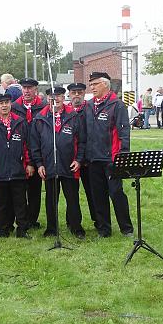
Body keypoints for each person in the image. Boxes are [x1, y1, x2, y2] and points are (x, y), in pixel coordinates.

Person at [30, 87, 86, 238]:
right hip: (49, 166)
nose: (55, 99)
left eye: (59, 96)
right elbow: (34, 144)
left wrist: (79, 160)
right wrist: (39, 164)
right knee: (51, 199)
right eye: (51, 97)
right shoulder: (40, 118)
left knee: (72, 198)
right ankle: (52, 228)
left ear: (63, 98)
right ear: (47, 99)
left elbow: (82, 141)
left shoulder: (73, 116)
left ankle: (76, 226)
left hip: (69, 165)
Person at [84, 72, 134, 238]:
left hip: (111, 159)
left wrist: (122, 156)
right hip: (93, 159)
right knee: (98, 196)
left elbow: (123, 132)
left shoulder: (117, 105)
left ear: (105, 84)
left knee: (116, 193)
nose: (92, 87)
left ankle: (126, 228)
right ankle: (104, 229)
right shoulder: (89, 105)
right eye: (91, 85)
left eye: (95, 84)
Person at [0, 93, 34, 238]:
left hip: (18, 170)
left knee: (20, 202)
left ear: (11, 104)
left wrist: (29, 163)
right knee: (0, 203)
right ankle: (3, 229)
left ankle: (22, 229)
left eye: (6, 103)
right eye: (1, 103)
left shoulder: (21, 123)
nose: (4, 106)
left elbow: (27, 145)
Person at [12, 78, 46, 230]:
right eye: (24, 88)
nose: (26, 91)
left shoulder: (43, 106)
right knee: (19, 189)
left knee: (35, 189)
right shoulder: (14, 106)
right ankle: (21, 219)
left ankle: (32, 219)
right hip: (18, 152)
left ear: (35, 90)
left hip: (38, 152)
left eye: (29, 88)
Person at [67, 82, 99, 226]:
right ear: (69, 94)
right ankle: (72, 222)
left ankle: (98, 220)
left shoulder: (90, 109)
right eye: (74, 92)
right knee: (71, 194)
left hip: (88, 159)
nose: (76, 95)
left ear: (84, 93)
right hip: (70, 159)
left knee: (92, 192)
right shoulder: (66, 111)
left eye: (79, 92)